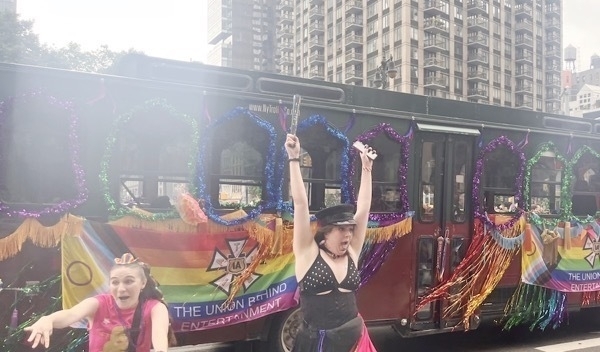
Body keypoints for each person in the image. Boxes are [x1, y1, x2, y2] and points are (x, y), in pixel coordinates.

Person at [285, 134, 376, 352]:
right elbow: (300, 204)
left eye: (350, 229)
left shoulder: (352, 252)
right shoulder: (307, 253)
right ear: (326, 231)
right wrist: (294, 158)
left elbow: (363, 209)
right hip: (317, 344)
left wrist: (366, 169)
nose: (348, 235)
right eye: (341, 229)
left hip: (355, 342)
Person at [25, 253, 176, 352]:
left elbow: (159, 338)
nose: (121, 289)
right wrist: (48, 319)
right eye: (115, 282)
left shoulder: (155, 308)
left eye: (129, 281)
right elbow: (70, 315)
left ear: (142, 283)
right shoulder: (99, 304)